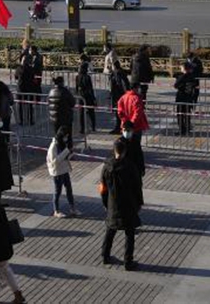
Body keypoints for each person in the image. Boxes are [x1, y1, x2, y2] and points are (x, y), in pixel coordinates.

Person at [100, 137, 143, 271]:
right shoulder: (130, 167)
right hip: (128, 204)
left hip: (113, 203)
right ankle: (128, 261)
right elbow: (137, 187)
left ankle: (105, 255)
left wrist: (105, 202)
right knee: (130, 233)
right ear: (124, 152)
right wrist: (139, 203)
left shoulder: (107, 166)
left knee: (110, 229)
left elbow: (103, 188)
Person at [46, 126, 77, 217]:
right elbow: (55, 161)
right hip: (57, 172)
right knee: (57, 191)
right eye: (65, 136)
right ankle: (56, 210)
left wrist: (70, 155)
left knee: (69, 190)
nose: (66, 139)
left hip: (64, 169)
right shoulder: (53, 146)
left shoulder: (62, 144)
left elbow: (63, 159)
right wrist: (66, 152)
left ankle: (72, 208)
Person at [47, 75, 76, 150]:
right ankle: (68, 151)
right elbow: (72, 102)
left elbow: (49, 103)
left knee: (58, 136)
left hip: (54, 118)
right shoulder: (65, 91)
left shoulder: (51, 91)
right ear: (61, 82)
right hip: (65, 118)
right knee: (67, 136)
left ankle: (58, 150)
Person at [106, 54, 130, 133]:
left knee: (120, 112)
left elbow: (122, 84)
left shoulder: (118, 73)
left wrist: (125, 94)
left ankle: (121, 128)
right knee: (120, 112)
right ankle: (120, 127)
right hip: (119, 95)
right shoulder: (119, 72)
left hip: (119, 96)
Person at [175, 62, 199, 136]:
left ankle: (182, 130)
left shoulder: (182, 76)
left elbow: (176, 85)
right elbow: (196, 88)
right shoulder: (193, 77)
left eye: (181, 67)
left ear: (185, 69)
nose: (180, 69)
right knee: (187, 114)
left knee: (180, 114)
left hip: (181, 97)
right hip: (189, 98)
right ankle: (188, 129)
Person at [76, 55, 98, 133]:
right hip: (88, 96)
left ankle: (82, 128)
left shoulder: (77, 76)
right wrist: (94, 98)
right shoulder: (87, 77)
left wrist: (77, 94)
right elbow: (90, 89)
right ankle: (93, 127)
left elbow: (76, 87)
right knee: (91, 111)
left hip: (80, 95)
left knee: (81, 113)